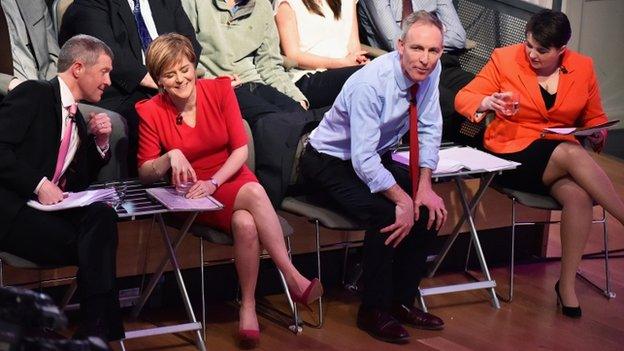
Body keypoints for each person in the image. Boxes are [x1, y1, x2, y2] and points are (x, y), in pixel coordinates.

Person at [135, 33, 323, 348]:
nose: (181, 79)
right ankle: (291, 275)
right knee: (255, 194)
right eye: (170, 75)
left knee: (246, 223)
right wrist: (169, 158)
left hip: (228, 175)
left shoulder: (219, 90)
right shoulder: (151, 111)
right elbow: (144, 171)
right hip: (193, 191)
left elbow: (239, 149)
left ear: (193, 65)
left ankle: (247, 306)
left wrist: (216, 182)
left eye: (184, 69)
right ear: (159, 81)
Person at [455, 9, 624, 318]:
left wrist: (598, 130)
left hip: (556, 157)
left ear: (562, 50)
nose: (531, 53)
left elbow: (596, 116)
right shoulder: (505, 58)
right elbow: (464, 97)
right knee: (572, 154)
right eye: (529, 44)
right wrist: (486, 102)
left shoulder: (582, 67)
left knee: (578, 195)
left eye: (542, 50)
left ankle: (567, 286)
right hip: (511, 151)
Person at [299, 11, 447, 343]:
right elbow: (362, 158)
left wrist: (423, 187)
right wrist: (402, 198)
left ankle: (401, 302)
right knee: (387, 214)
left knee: (428, 209)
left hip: (371, 158)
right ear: (399, 46)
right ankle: (373, 309)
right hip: (327, 162)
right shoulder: (370, 83)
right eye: (417, 49)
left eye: (433, 51)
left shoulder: (429, 73)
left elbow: (429, 127)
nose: (425, 59)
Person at [0, 35, 124, 342]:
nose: (109, 81)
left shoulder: (78, 119)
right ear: (79, 68)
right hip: (13, 213)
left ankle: (94, 325)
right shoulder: (34, 93)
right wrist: (39, 184)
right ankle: (100, 329)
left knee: (103, 217)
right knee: (96, 246)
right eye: (104, 71)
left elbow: (78, 181)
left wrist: (99, 143)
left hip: (48, 216)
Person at [181, 0, 325, 206]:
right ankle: (267, 198)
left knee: (304, 116)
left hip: (253, 82)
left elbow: (270, 65)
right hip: (217, 86)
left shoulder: (262, 5)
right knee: (274, 121)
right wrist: (214, 83)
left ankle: (301, 187)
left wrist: (295, 96)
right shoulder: (194, 3)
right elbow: (183, 57)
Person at [59, 0, 201, 176]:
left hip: (172, 79)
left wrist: (177, 76)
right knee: (145, 118)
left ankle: (207, 178)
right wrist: (162, 82)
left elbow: (188, 41)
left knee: (214, 106)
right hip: (122, 88)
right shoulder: (92, 3)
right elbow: (108, 55)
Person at [358, 0, 475, 143]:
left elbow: (458, 38)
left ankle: (488, 154)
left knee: (480, 90)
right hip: (405, 68)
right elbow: (395, 41)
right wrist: (433, 40)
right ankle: (454, 150)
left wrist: (428, 46)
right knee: (451, 102)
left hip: (442, 61)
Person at [274, 0, 367, 109]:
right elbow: (293, 56)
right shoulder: (287, 4)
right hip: (309, 75)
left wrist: (359, 61)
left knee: (383, 69)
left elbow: (354, 45)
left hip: (348, 69)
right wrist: (342, 63)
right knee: (367, 77)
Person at [0, 0, 58, 96]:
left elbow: (54, 54)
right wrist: (8, 83)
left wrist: (51, 90)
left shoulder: (35, 2)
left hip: (47, 88)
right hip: (9, 98)